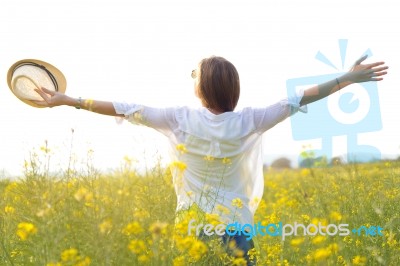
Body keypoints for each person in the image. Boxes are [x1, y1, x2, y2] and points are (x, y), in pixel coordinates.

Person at [33, 55, 388, 265]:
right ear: (232, 90)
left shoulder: (178, 119)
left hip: (192, 230)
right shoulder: (251, 120)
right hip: (238, 229)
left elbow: (123, 108)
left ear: (201, 90)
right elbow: (300, 98)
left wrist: (68, 100)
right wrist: (348, 78)